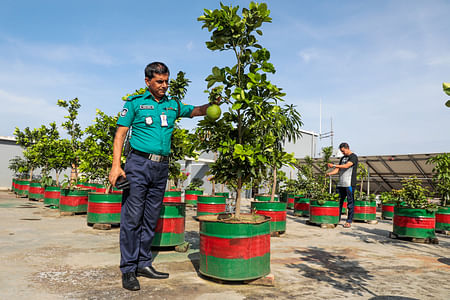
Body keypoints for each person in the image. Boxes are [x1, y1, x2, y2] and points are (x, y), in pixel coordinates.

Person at [109, 62, 216, 291]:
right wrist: (116, 167)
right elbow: (120, 135)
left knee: (150, 217)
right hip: (138, 164)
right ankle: (128, 269)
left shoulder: (173, 105)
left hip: (161, 167)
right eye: (159, 81)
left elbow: (195, 111)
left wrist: (212, 105)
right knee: (132, 218)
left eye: (166, 81)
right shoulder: (135, 104)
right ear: (147, 82)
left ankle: (143, 263)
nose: (164, 86)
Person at [326, 142, 358, 228]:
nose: (342, 153)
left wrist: (333, 165)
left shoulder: (353, 157)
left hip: (349, 183)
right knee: (338, 201)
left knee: (350, 202)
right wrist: (330, 173)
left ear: (347, 148)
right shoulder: (343, 158)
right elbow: (337, 170)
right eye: (341, 152)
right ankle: (337, 219)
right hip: (341, 183)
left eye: (343, 151)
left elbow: (347, 166)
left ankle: (349, 221)